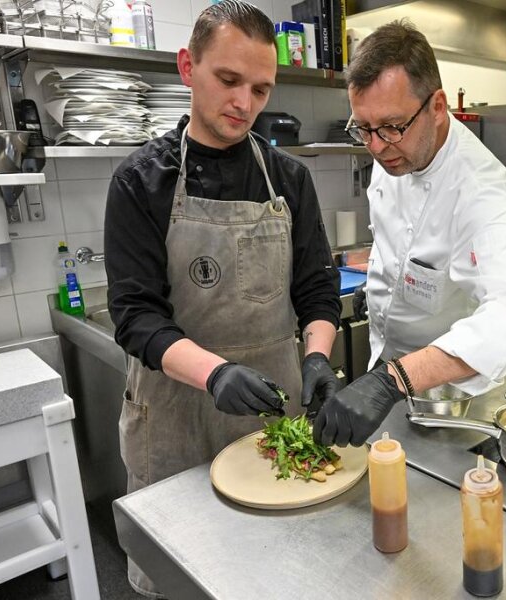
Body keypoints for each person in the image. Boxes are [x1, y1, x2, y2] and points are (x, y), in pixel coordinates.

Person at [104, 2, 341, 596]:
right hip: (175, 417)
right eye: (229, 80)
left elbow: (316, 287)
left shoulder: (289, 179)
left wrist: (316, 355)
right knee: (184, 574)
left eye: (261, 88)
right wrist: (214, 374)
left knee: (273, 572)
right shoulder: (140, 182)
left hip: (268, 415)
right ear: (188, 67)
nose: (245, 104)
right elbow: (136, 318)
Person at [313, 21, 506, 448]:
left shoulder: (479, 186)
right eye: (363, 129)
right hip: (386, 372)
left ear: (437, 106)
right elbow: (394, 248)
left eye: (392, 127)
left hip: (449, 397)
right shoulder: (393, 158)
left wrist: (395, 378)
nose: (378, 147)